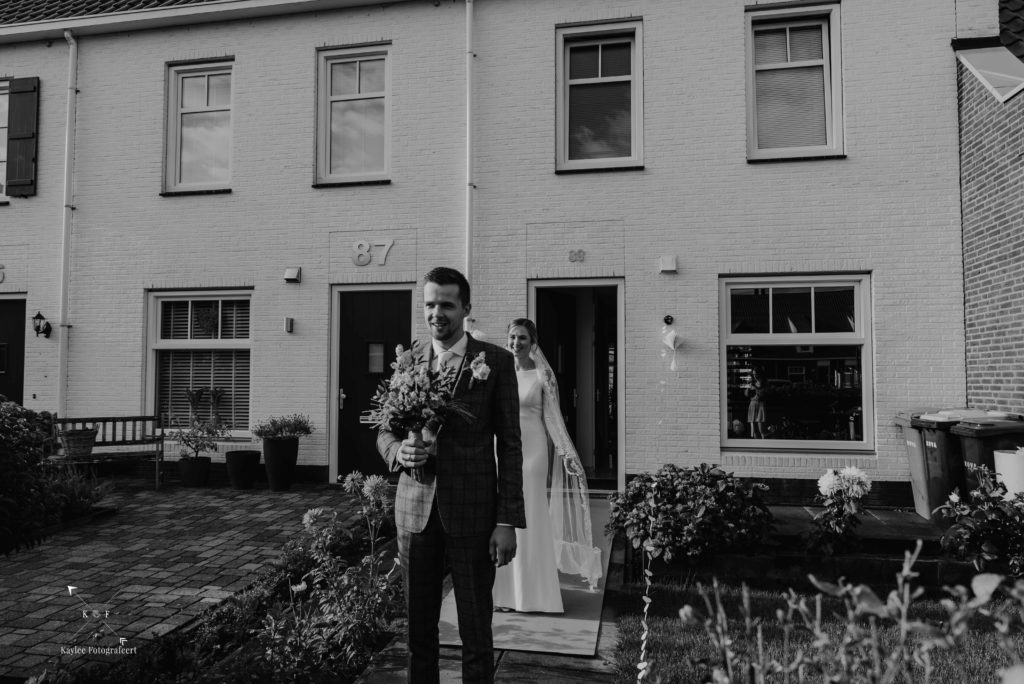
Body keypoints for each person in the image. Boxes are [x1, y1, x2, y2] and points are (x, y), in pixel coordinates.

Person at [376, 267, 525, 684]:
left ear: (466, 308)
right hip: (414, 513)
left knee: (476, 629)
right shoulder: (408, 360)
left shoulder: (495, 362)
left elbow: (511, 446)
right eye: (429, 304)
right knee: (418, 632)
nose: (436, 313)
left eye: (446, 304)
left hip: (474, 514)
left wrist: (507, 520)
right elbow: (384, 430)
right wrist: (397, 451)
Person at [493, 318, 603, 613]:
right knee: (502, 516)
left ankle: (535, 594)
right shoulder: (499, 372)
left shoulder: (543, 375)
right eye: (512, 337)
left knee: (530, 514)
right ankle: (505, 594)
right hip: (502, 450)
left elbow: (553, 418)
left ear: (533, 343)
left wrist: (566, 454)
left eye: (522, 338)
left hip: (533, 450)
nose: (516, 343)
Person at [746, 367, 766, 439]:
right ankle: (756, 443)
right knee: (754, 430)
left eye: (756, 374)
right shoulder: (752, 383)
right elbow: (747, 394)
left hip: (760, 404)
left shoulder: (764, 383)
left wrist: (755, 389)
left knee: (761, 429)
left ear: (760, 374)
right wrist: (748, 387)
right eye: (753, 374)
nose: (755, 376)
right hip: (752, 404)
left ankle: (764, 443)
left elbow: (763, 394)